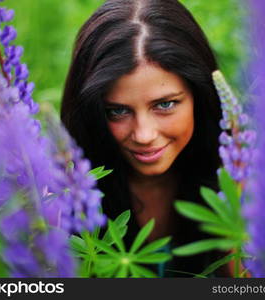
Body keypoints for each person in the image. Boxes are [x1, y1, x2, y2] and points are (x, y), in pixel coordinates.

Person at [61, 0, 226, 277]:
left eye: (165, 104)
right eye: (117, 110)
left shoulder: (237, 178)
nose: (144, 135)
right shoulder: (61, 196)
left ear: (200, 95)